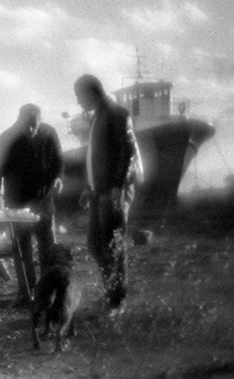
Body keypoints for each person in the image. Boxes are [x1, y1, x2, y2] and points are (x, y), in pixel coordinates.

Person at [73, 74, 141, 317]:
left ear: (92, 92)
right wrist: (89, 187)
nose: (79, 103)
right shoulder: (99, 116)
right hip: (98, 191)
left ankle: (117, 301)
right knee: (95, 244)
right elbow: (96, 156)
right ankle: (111, 294)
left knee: (113, 246)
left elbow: (129, 150)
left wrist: (119, 185)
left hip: (113, 192)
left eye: (80, 97)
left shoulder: (116, 113)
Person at [0, 103, 64, 305]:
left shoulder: (49, 133)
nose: (31, 130)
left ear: (41, 121)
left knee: (48, 248)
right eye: (26, 125)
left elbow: (58, 161)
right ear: (19, 121)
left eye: (34, 126)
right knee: (22, 250)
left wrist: (58, 178)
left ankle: (48, 292)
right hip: (17, 204)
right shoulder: (7, 138)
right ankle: (26, 292)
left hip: (44, 201)